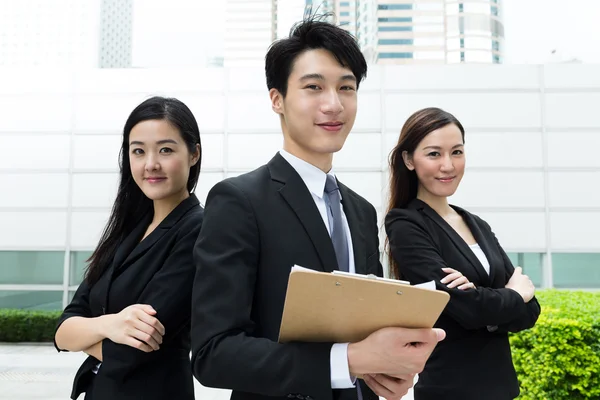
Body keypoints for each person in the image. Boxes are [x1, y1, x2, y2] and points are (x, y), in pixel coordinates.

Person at [190, 16, 445, 400]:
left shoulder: (360, 211)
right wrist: (350, 360)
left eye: (347, 88)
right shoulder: (239, 201)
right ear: (277, 99)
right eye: (314, 87)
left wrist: (386, 370)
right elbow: (214, 354)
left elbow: (365, 328)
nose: (334, 104)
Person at [385, 107, 541, 400]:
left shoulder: (476, 224)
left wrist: (482, 300)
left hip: (502, 390)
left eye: (456, 152)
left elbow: (531, 312)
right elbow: (464, 308)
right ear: (408, 160)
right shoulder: (405, 223)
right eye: (434, 154)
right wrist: (513, 295)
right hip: (449, 390)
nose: (448, 165)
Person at [54, 96, 203, 400]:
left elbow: (134, 349)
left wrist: (87, 333)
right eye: (138, 151)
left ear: (193, 154)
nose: (151, 164)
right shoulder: (127, 231)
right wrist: (111, 324)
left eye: (166, 149)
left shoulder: (199, 229)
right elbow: (62, 330)